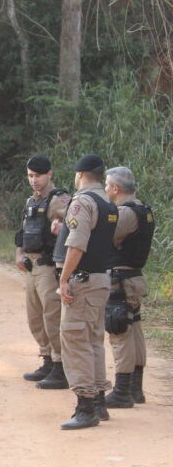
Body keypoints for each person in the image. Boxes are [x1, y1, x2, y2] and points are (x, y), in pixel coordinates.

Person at [55, 154, 118, 430]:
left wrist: (64, 278)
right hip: (102, 280)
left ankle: (85, 406)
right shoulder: (108, 203)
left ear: (80, 175)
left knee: (75, 341)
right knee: (93, 341)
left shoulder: (82, 202)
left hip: (83, 281)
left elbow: (77, 245)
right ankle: (99, 402)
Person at [14, 155, 71, 389]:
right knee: (35, 316)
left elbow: (73, 224)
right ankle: (47, 359)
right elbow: (23, 232)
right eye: (30, 176)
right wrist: (19, 254)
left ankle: (61, 366)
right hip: (31, 267)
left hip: (48, 267)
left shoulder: (59, 199)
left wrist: (62, 227)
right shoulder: (31, 202)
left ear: (50, 174)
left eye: (38, 175)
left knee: (52, 316)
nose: (34, 180)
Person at [103, 166, 155, 408]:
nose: (104, 189)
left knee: (119, 330)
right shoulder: (144, 210)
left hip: (120, 281)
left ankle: (122, 391)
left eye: (106, 185)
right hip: (134, 277)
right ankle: (136, 389)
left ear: (116, 188)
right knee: (134, 330)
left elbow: (103, 239)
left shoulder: (124, 214)